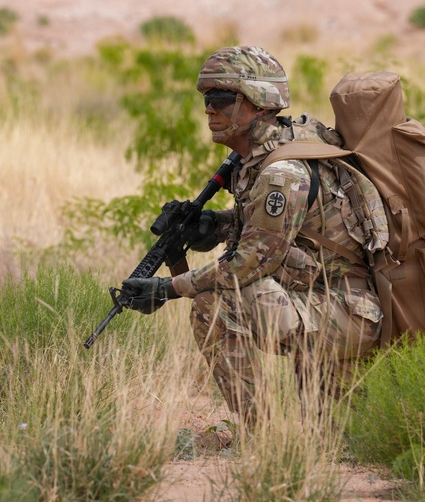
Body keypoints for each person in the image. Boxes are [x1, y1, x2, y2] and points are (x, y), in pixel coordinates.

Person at [119, 46, 384, 426]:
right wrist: (216, 224)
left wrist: (168, 288)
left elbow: (247, 265)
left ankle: (262, 432)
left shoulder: (283, 173)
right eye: (207, 100)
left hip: (343, 310)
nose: (210, 109)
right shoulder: (264, 155)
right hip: (321, 302)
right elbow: (288, 229)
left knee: (213, 304)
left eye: (222, 99)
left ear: (258, 102)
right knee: (332, 437)